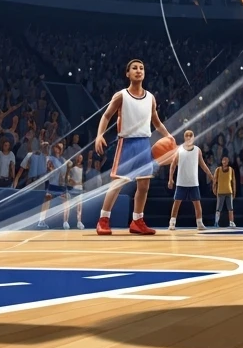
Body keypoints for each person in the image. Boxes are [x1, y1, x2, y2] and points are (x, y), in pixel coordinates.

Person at [94, 59, 173, 236]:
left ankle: (137, 221)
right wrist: (100, 135)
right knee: (118, 183)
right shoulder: (121, 95)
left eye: (141, 68)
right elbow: (106, 116)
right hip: (127, 142)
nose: (139, 70)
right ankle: (103, 220)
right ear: (127, 73)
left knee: (144, 185)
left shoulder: (151, 98)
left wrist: (168, 135)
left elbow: (156, 122)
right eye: (134, 68)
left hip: (144, 144)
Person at [169, 130, 214, 230]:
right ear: (184, 137)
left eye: (190, 135)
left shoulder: (197, 150)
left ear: (193, 137)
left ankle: (199, 223)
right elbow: (173, 165)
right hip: (181, 182)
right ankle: (172, 223)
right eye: (187, 135)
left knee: (197, 203)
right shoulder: (179, 150)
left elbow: (203, 164)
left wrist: (210, 175)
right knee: (176, 203)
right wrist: (170, 179)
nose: (188, 137)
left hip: (193, 182)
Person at [212, 155, 237, 228]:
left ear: (228, 161)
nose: (225, 161)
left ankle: (231, 222)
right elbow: (214, 180)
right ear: (221, 161)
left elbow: (234, 182)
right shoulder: (218, 170)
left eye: (226, 159)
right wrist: (214, 188)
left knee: (230, 208)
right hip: (220, 192)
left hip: (229, 191)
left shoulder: (231, 170)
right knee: (218, 208)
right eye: (223, 159)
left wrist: (234, 191)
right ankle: (216, 222)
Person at [66, 152, 86, 230]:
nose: (79, 159)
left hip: (79, 189)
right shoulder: (72, 168)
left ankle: (79, 222)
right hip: (72, 189)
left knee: (79, 207)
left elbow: (83, 179)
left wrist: (80, 184)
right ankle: (66, 222)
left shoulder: (83, 168)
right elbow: (68, 177)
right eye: (78, 158)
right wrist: (70, 180)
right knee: (69, 207)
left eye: (81, 158)